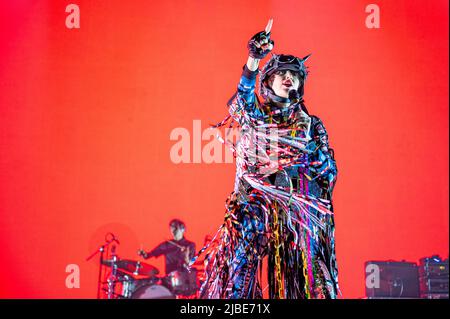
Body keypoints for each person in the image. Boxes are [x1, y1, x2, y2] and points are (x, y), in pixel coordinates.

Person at [190, 19, 339, 299]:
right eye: (281, 73)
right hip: (256, 209)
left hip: (298, 216)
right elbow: (243, 99)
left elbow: (330, 174)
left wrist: (311, 152)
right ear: (268, 81)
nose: (288, 78)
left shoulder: (311, 125)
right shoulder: (257, 117)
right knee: (239, 273)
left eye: (294, 76)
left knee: (318, 285)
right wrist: (253, 60)